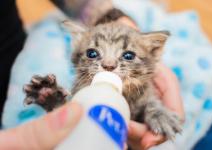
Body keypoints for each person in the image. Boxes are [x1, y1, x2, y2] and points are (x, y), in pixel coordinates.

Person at [0, 0, 184, 149]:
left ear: (154, 54)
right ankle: (55, 103)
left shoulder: (144, 89)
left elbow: (148, 104)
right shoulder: (84, 88)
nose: (108, 65)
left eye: (127, 56)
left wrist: (154, 111)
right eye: (93, 54)